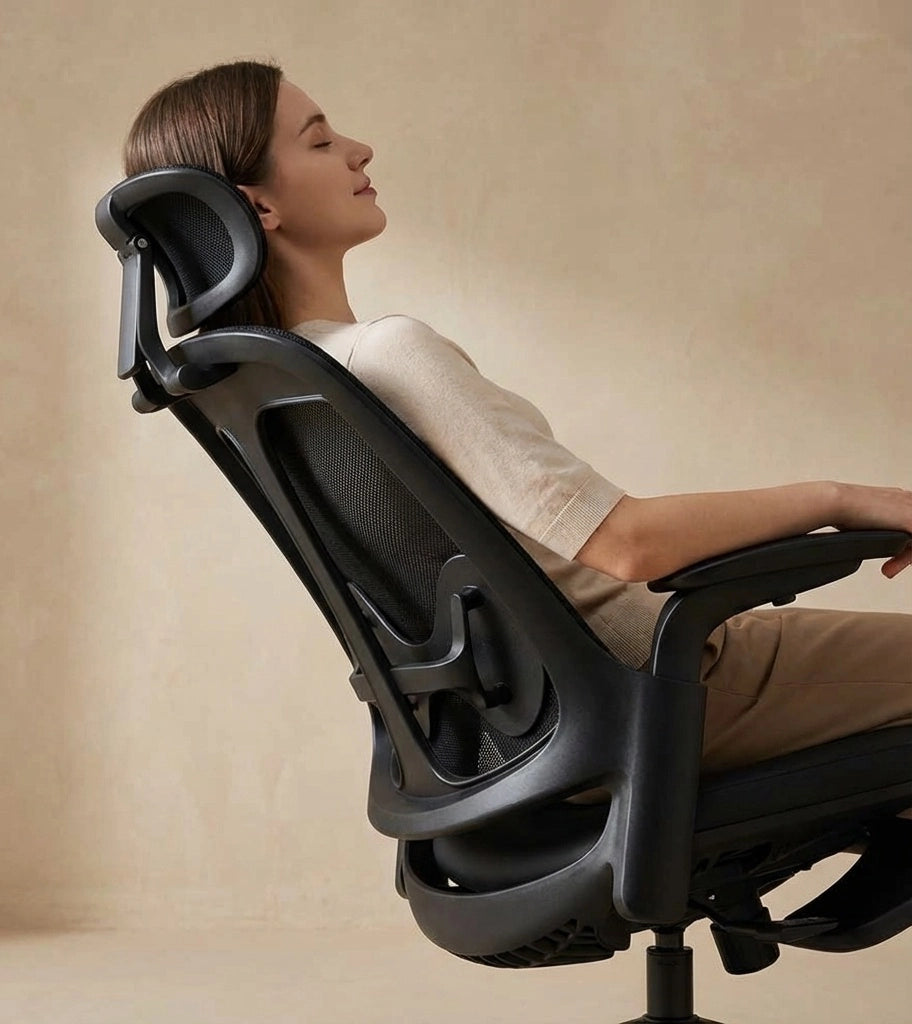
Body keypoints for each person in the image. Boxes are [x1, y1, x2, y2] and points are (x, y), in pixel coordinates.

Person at [122, 59, 912, 792]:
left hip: (530, 727)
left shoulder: (268, 388)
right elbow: (627, 545)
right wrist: (840, 499)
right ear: (256, 203)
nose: (361, 151)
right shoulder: (383, 356)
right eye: (321, 141)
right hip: (662, 683)